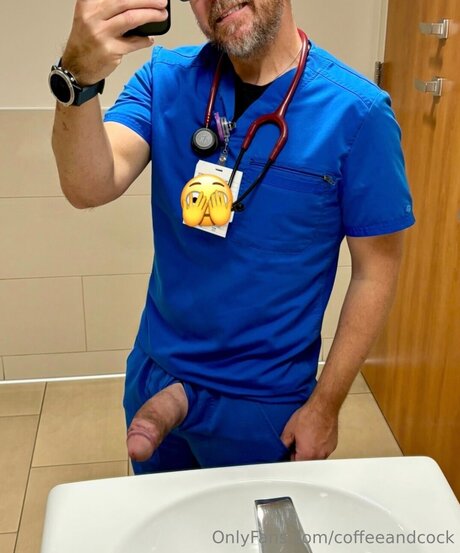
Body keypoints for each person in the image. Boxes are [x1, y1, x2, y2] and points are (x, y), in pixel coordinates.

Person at [50, 0, 415, 474]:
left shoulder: (358, 114)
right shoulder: (164, 80)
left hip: (264, 404)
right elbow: (87, 186)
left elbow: (376, 271)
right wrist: (77, 79)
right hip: (157, 374)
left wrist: (326, 405)